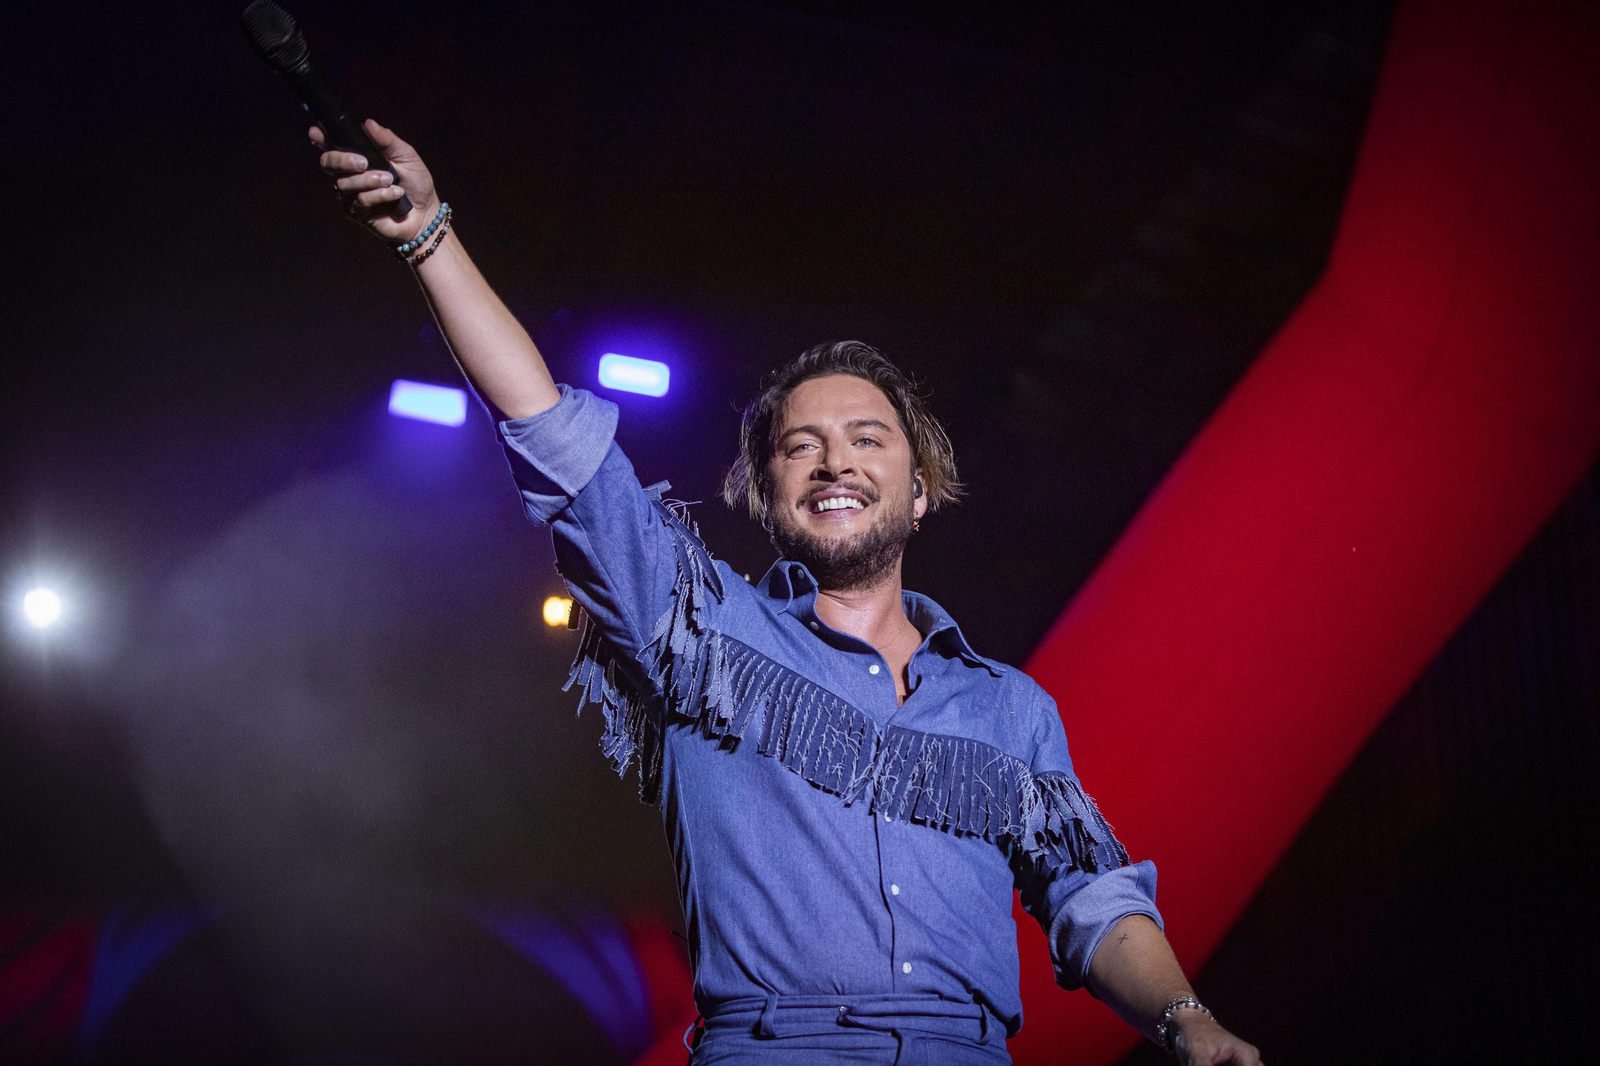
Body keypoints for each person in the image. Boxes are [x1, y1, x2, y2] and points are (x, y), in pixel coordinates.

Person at [308, 117, 1263, 1066]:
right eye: (800, 446)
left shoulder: (1011, 713)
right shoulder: (701, 634)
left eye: (866, 438)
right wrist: (431, 235)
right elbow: (557, 438)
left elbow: (1093, 898)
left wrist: (1192, 1022)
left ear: (921, 491)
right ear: (769, 496)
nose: (833, 460)